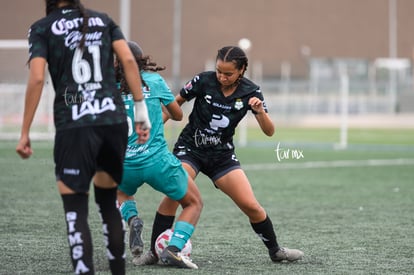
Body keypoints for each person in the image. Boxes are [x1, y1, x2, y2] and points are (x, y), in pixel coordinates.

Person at [15, 1, 151, 274]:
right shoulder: (103, 20)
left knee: (75, 208)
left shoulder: (42, 28)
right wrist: (140, 110)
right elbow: (127, 60)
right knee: (107, 203)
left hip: (74, 125)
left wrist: (25, 131)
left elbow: (38, 78)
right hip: (112, 123)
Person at [158, 46, 304, 263]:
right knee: (174, 194)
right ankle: (155, 252)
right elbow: (175, 103)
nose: (222, 77)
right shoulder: (203, 81)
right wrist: (150, 131)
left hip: (221, 156)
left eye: (228, 73)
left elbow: (269, 131)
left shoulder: (251, 91)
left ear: (242, 70)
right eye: (218, 71)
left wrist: (260, 112)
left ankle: (275, 251)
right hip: (190, 149)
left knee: (251, 206)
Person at [114, 41, 203, 269]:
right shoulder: (153, 81)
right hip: (156, 160)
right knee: (194, 203)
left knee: (121, 192)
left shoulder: (108, 87)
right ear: (142, 61)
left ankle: (132, 219)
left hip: (125, 162)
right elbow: (177, 115)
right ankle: (173, 249)